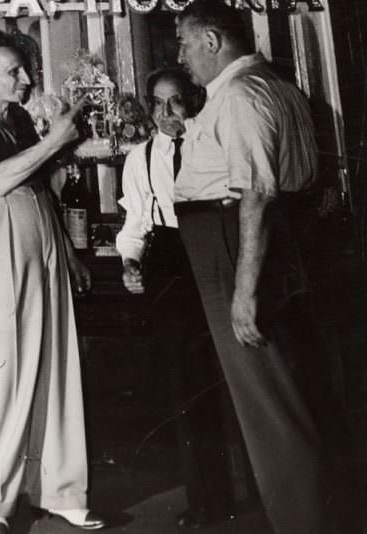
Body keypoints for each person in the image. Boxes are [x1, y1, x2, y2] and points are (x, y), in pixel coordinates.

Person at [173, 0, 337, 534]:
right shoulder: (276, 87)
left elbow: (258, 192)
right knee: (281, 393)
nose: (182, 56)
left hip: (234, 244)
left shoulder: (241, 95)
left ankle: (301, 522)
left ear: (213, 41)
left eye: (185, 43)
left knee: (268, 401)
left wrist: (243, 289)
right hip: (262, 241)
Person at [0, 31, 103, 534]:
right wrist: (56, 139)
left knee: (56, 364)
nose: (25, 79)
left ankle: (60, 489)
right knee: (2, 373)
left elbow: (37, 186)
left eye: (24, 70)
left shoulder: (14, 117)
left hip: (42, 240)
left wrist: (69, 254)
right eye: (13, 71)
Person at [117, 68, 233, 527]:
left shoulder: (213, 142)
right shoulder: (140, 158)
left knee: (227, 376)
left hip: (214, 250)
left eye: (176, 102)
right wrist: (130, 263)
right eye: (158, 104)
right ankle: (205, 495)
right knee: (186, 383)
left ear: (194, 100)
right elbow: (135, 224)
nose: (167, 114)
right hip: (169, 260)